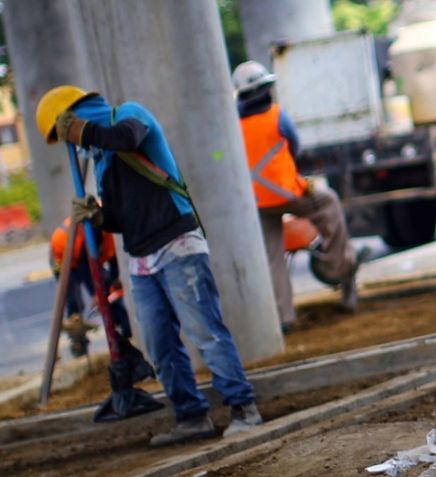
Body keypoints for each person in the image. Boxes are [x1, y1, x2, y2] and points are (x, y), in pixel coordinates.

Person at [35, 85, 263, 447]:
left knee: (204, 330)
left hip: (177, 243)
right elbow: (124, 217)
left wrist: (85, 131)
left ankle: (244, 409)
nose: (76, 145)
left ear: (78, 115)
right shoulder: (103, 160)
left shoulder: (129, 114)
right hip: (141, 257)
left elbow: (127, 138)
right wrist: (100, 217)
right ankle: (191, 415)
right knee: (159, 344)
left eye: (70, 133)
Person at [231, 60, 364, 326]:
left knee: (272, 258)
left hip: (257, 203)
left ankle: (284, 317)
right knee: (329, 203)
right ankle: (339, 266)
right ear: (264, 90)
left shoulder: (233, 125)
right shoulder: (276, 115)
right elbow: (295, 148)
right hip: (288, 194)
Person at [49, 216, 132, 358]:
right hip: (64, 258)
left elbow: (112, 260)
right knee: (74, 301)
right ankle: (78, 343)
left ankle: (125, 331)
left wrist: (113, 281)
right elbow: (83, 266)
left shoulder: (107, 231)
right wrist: (96, 293)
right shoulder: (89, 231)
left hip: (84, 259)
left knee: (109, 294)